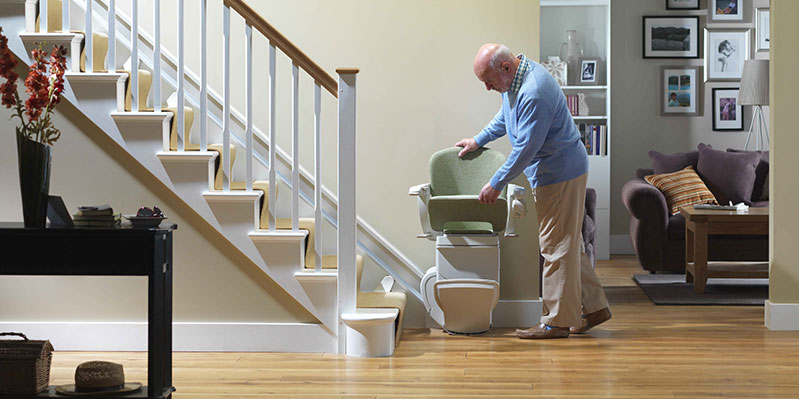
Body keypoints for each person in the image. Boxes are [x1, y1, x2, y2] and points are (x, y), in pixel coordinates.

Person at [455, 43, 611, 339]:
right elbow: (506, 118)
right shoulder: (514, 83)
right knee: (567, 244)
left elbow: (527, 148)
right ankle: (594, 308)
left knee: (555, 247)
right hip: (558, 170)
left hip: (559, 173)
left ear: (505, 68)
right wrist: (478, 139)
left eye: (488, 81)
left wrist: (496, 183)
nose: (488, 88)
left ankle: (556, 322)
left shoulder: (534, 90)